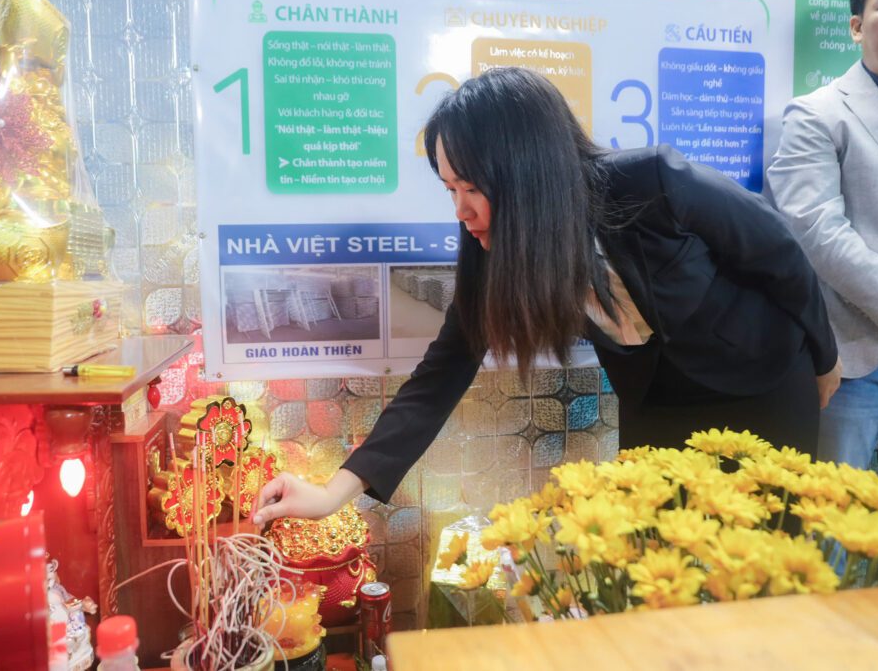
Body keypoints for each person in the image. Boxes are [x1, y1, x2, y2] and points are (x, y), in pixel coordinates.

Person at [253, 67, 841, 525]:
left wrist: (826, 361)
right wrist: (333, 492)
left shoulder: (652, 182)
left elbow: (779, 255)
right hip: (659, 408)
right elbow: (440, 374)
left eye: (472, 188)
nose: (460, 211)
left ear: (526, 173)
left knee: (763, 570)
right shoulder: (493, 251)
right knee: (661, 570)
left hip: (762, 383)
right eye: (450, 189)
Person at [767, 0, 878, 510]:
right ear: (857, 27)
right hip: (858, 357)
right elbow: (815, 230)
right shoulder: (816, 114)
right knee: (831, 522)